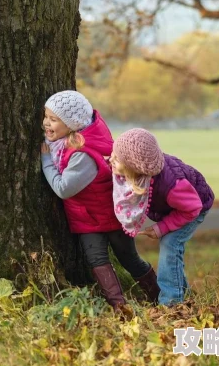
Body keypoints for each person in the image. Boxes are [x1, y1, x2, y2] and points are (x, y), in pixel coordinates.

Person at [40, 91, 159, 310]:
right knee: (97, 260)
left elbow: (64, 188)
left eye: (54, 119)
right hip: (91, 215)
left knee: (128, 259)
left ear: (72, 124)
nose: (46, 123)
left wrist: (46, 161)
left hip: (101, 216)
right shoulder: (81, 138)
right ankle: (119, 307)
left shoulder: (82, 155)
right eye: (46, 116)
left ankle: (158, 296)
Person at [110, 128, 214, 306]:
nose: (111, 159)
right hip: (175, 208)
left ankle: (171, 302)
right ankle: (185, 295)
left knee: (170, 244)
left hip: (192, 208)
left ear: (134, 168)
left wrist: (161, 228)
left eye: (117, 159)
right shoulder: (135, 174)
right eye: (113, 153)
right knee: (170, 246)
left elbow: (192, 208)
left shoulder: (172, 185)